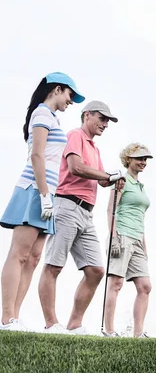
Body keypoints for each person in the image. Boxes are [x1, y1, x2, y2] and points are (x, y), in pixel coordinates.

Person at [0, 72, 85, 332]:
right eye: (70, 95)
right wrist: (45, 195)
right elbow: (36, 156)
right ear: (57, 89)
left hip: (46, 192)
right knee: (19, 254)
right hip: (33, 191)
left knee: (34, 257)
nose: (71, 101)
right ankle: (6, 317)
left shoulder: (53, 119)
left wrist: (50, 194)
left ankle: (15, 316)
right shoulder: (41, 114)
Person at [37, 100, 125, 335]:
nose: (105, 124)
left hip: (86, 213)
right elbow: (75, 167)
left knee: (96, 270)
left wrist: (115, 180)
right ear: (87, 115)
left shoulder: (94, 149)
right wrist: (107, 175)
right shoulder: (76, 135)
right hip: (67, 206)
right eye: (102, 118)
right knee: (53, 266)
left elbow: (102, 179)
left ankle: (74, 324)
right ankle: (50, 324)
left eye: (107, 121)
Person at [102, 143, 153, 338]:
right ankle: (109, 330)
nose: (143, 162)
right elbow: (110, 209)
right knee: (116, 283)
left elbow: (140, 217)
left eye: (145, 159)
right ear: (128, 159)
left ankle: (138, 334)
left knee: (145, 286)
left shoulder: (140, 186)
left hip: (138, 239)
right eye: (139, 158)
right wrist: (113, 237)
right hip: (122, 235)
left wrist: (144, 245)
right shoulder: (122, 181)